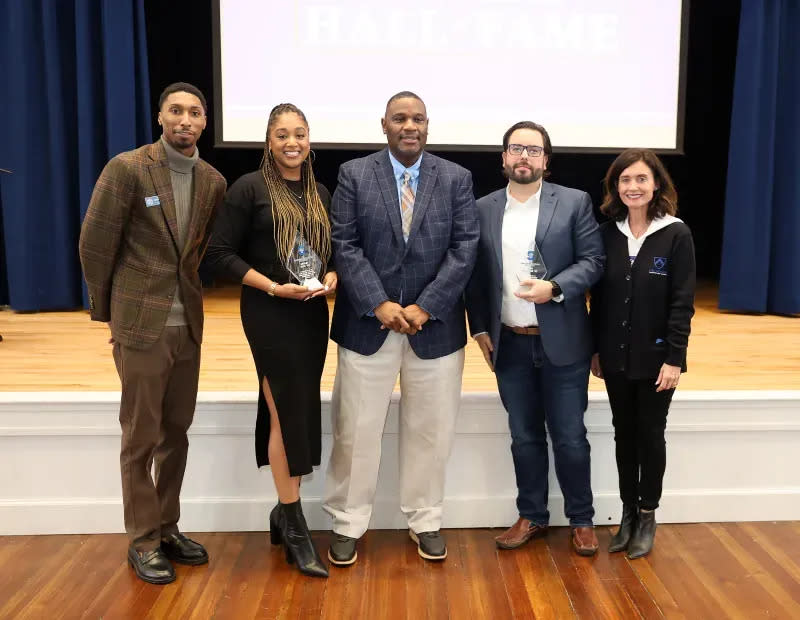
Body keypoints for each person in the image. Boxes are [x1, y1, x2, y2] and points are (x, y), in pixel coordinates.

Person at [79, 82, 227, 584]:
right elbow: (95, 244)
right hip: (140, 327)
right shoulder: (128, 168)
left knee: (176, 435)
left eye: (195, 112)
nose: (185, 120)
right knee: (140, 438)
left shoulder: (212, 180)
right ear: (160, 116)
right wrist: (110, 315)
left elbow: (199, 250)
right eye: (176, 110)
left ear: (205, 122)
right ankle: (141, 541)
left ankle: (167, 527)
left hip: (188, 328)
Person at [323, 91, 479, 565]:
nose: (409, 126)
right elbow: (345, 244)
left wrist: (427, 306)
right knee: (356, 429)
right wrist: (380, 303)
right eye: (400, 119)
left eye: (418, 119)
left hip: (436, 327)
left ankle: (425, 518)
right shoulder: (354, 175)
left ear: (427, 126)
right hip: (369, 323)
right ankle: (348, 521)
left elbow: (465, 246)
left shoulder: (456, 178)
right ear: (384, 125)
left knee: (432, 430)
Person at [203, 104, 336, 578]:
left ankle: (283, 513)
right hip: (269, 310)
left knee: (297, 406)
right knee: (284, 407)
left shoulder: (320, 191)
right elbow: (219, 254)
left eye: (299, 133)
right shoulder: (249, 189)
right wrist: (274, 287)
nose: (292, 142)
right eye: (282, 134)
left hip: (310, 314)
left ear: (309, 137)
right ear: (269, 140)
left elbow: (331, 253)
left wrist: (332, 277)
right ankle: (296, 524)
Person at [465, 121, 605, 556]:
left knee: (569, 436)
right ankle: (532, 515)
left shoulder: (574, 202)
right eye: (515, 149)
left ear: (547, 160)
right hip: (510, 343)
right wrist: (481, 328)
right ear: (503, 158)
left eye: (533, 149)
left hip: (562, 341)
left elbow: (594, 261)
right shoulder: (482, 208)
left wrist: (556, 287)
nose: (523, 157)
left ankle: (581, 519)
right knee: (523, 435)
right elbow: (475, 275)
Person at [590, 148, 695, 559]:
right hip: (614, 357)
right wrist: (596, 350)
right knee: (623, 434)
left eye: (640, 179)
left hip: (656, 361)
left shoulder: (676, 233)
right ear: (616, 187)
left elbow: (682, 301)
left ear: (655, 185)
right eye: (624, 180)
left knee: (650, 435)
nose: (632, 187)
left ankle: (648, 514)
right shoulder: (606, 233)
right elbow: (597, 300)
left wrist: (674, 357)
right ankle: (628, 514)